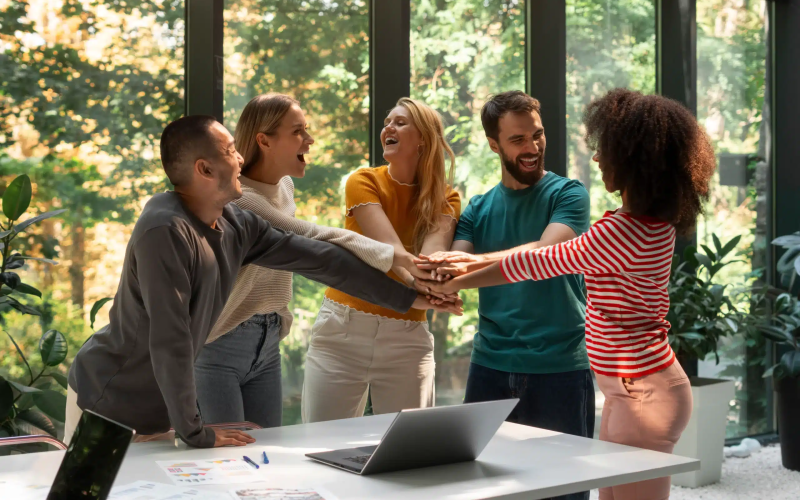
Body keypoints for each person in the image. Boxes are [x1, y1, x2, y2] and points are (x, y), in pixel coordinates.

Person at [65, 115, 454, 448]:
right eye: (231, 151)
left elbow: (321, 259)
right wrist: (195, 432)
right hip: (108, 401)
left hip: (160, 411)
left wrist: (408, 298)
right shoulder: (164, 229)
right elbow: (171, 338)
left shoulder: (236, 223)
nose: (240, 159)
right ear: (204, 169)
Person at [420, 88, 716, 500]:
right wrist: (456, 267)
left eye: (606, 150)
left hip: (643, 393)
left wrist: (461, 273)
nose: (596, 158)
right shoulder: (643, 223)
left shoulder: (620, 231)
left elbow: (540, 261)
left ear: (634, 161)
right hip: (631, 391)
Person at [194, 94, 451, 428]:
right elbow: (312, 239)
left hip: (268, 339)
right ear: (264, 141)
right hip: (222, 339)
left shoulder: (285, 185)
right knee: (228, 451)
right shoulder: (243, 201)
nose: (310, 139)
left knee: (264, 450)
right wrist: (402, 264)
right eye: (298, 131)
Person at [418, 91, 595, 500]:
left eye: (538, 135)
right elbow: (453, 268)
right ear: (494, 145)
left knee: (562, 491)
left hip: (560, 367)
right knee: (484, 489)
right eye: (518, 140)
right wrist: (445, 274)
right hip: (490, 367)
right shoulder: (478, 208)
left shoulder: (569, 195)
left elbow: (546, 255)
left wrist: (466, 269)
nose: (532, 147)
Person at [301, 97, 462, 423]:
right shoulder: (362, 181)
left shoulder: (447, 197)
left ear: (423, 139)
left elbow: (429, 258)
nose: (388, 128)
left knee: (410, 445)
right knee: (321, 442)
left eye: (400, 123)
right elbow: (388, 251)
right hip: (343, 329)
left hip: (408, 335)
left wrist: (431, 286)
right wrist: (428, 290)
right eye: (387, 122)